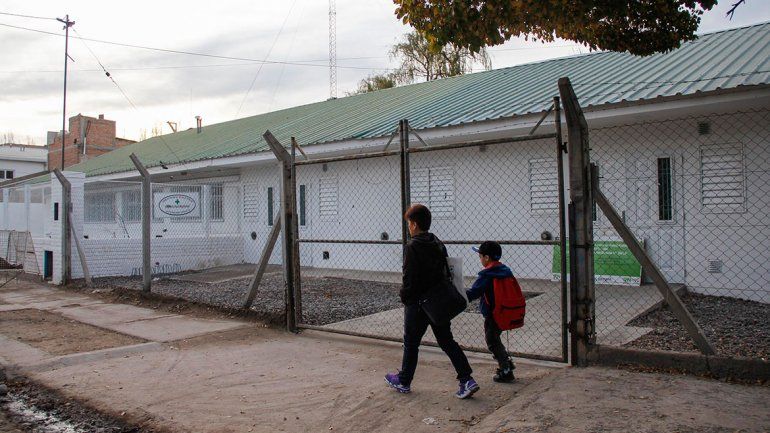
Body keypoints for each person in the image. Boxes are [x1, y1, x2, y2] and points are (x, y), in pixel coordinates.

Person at [385, 204, 479, 399]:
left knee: (411, 342)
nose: (409, 226)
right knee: (446, 340)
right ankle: (467, 379)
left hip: (418, 303)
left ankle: (404, 381)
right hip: (438, 302)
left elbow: (409, 278)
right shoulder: (436, 242)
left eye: (409, 223)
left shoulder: (412, 247)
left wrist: (405, 297)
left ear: (415, 224)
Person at [466, 241, 517, 383]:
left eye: (480, 256)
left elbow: (474, 292)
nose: (480, 259)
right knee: (495, 338)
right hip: (504, 311)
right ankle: (506, 362)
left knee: (492, 340)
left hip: (493, 314)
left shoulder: (487, 274)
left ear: (487, 258)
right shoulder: (504, 270)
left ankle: (505, 369)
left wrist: (459, 296)